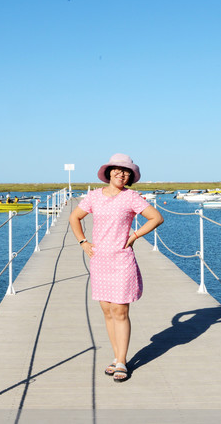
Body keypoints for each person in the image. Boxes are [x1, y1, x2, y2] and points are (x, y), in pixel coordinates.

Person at [69, 153, 164, 382]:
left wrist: (134, 236)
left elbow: (156, 218)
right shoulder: (93, 197)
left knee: (120, 311)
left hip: (121, 259)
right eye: (118, 170)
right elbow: (74, 218)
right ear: (109, 172)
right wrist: (83, 242)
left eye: (127, 172)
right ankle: (115, 356)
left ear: (130, 176)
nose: (122, 174)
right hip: (99, 259)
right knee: (107, 311)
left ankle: (122, 360)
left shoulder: (131, 197)